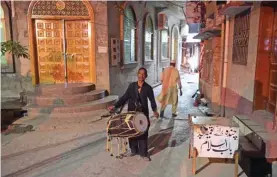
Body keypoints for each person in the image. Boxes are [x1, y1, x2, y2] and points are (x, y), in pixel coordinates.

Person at [108, 67, 159, 161]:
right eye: (140, 73)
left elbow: (152, 101)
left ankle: (143, 153)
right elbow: (124, 98)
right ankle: (133, 150)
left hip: (143, 114)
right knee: (131, 131)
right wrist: (115, 106)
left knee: (143, 132)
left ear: (146, 76)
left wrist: (155, 110)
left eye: (143, 74)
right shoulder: (132, 86)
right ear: (137, 74)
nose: (141, 76)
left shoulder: (148, 88)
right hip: (131, 113)